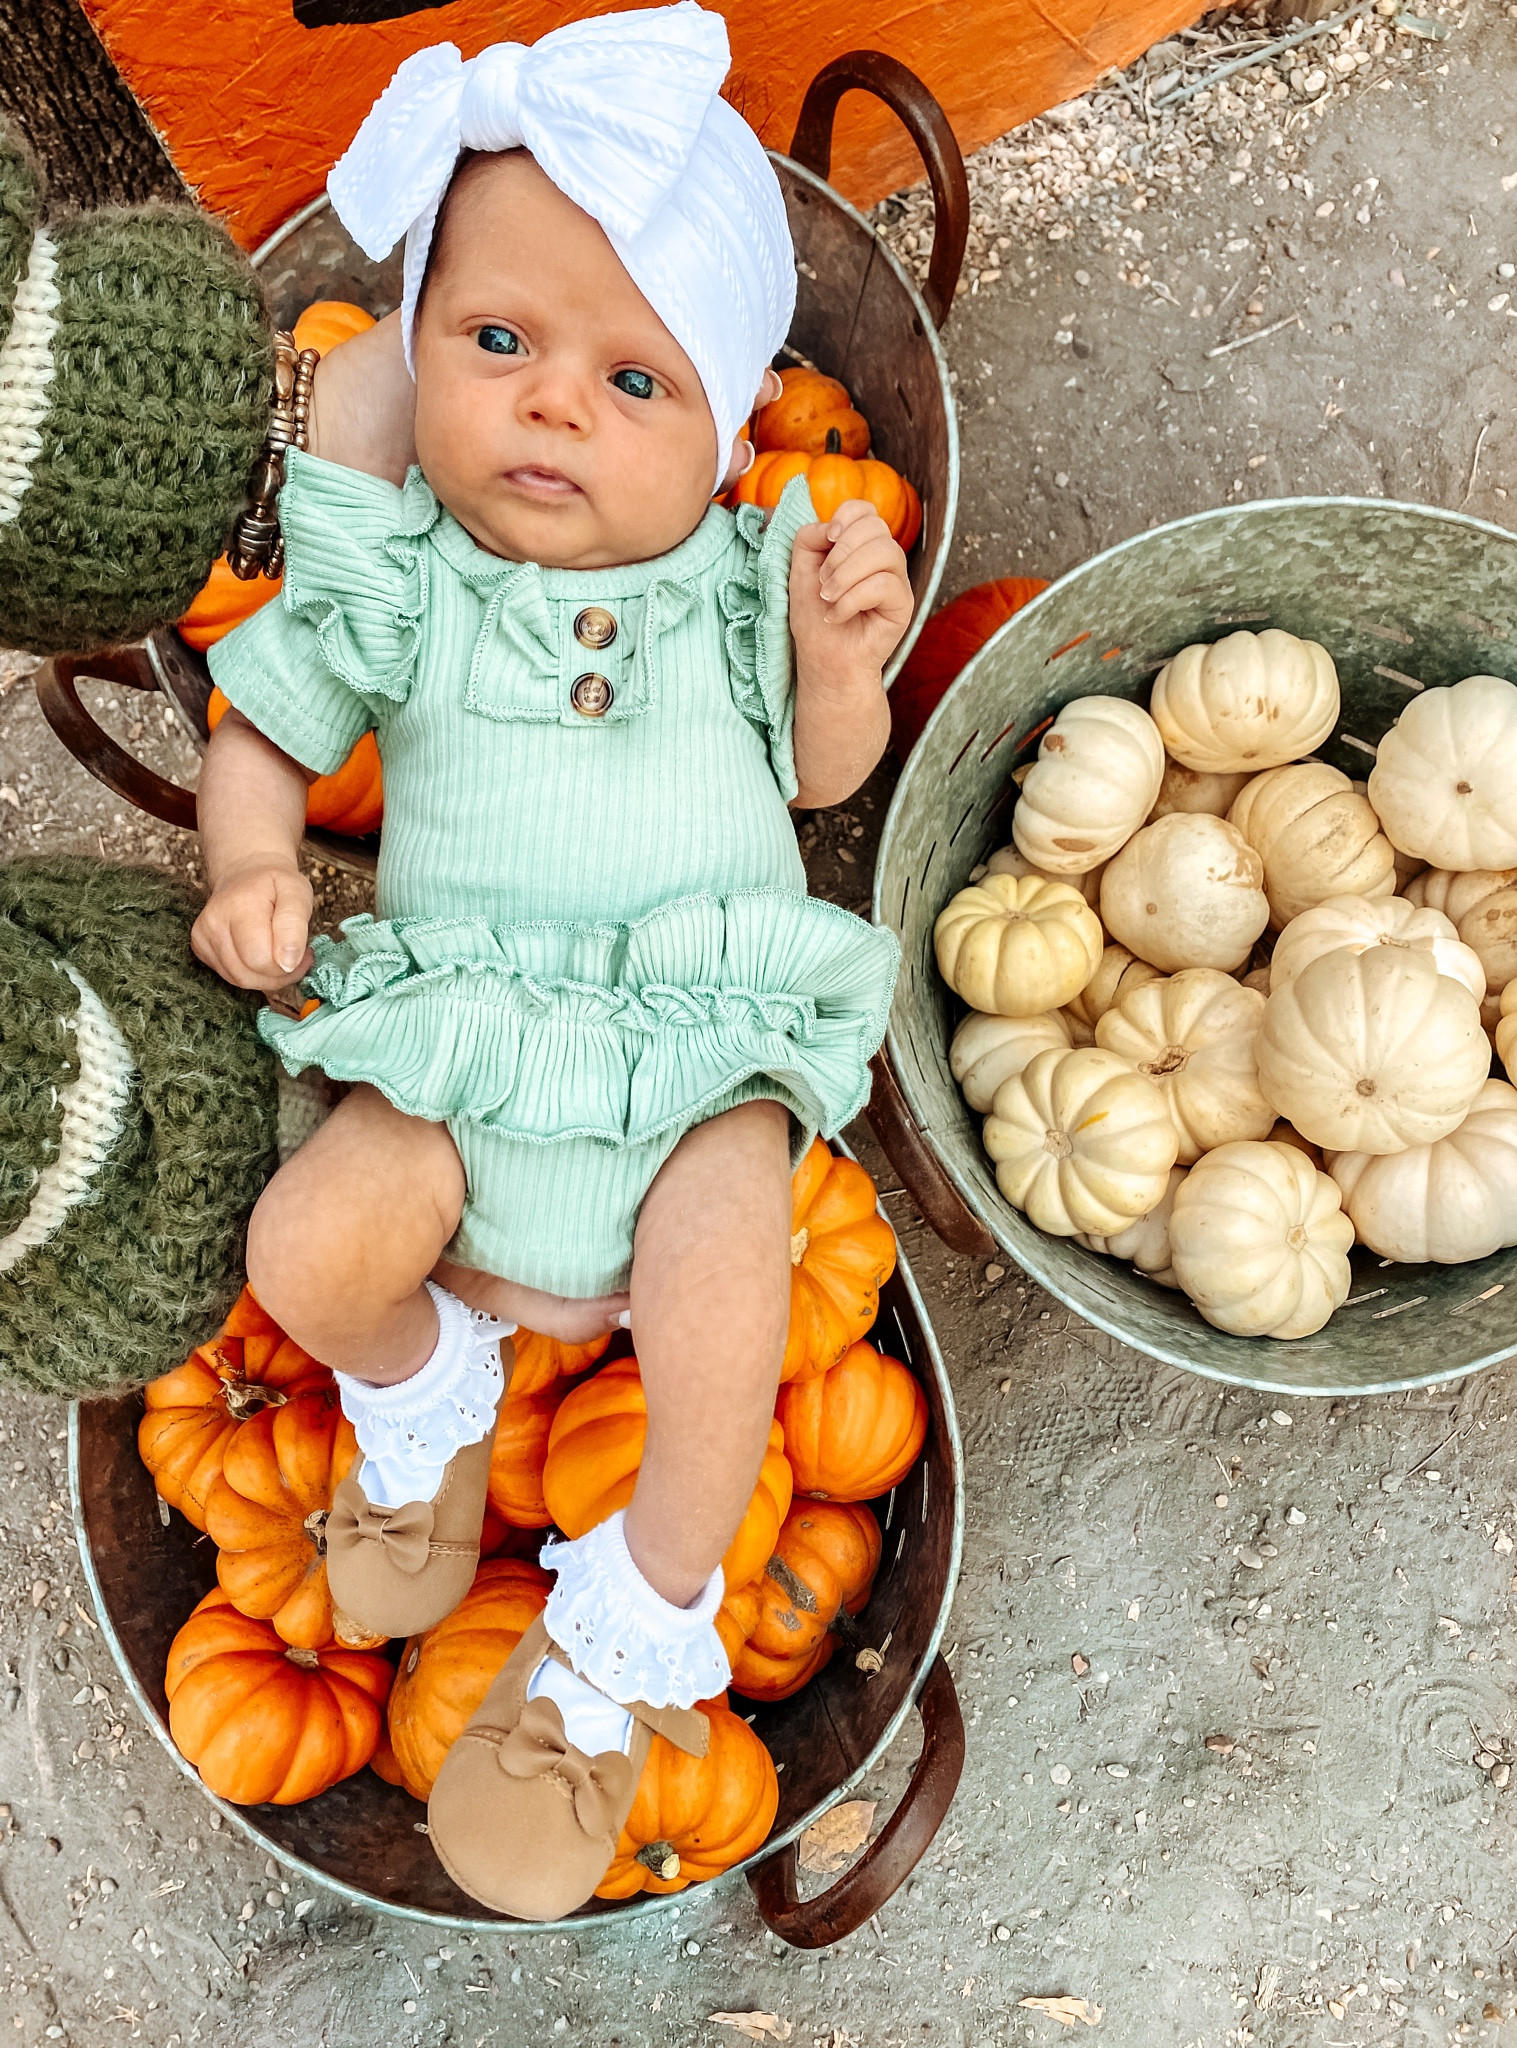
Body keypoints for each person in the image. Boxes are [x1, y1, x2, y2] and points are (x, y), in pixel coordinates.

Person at [189, 3, 908, 1919]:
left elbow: (826, 780)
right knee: (308, 1246)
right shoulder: (402, 576)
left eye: (633, 381)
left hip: (684, 1073)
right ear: (418, 344)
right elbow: (263, 719)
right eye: (493, 342)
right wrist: (252, 862)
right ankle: (419, 1396)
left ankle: (626, 1632)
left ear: (734, 423)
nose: (550, 406)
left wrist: (844, 664)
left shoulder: (745, 577)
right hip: (459, 1080)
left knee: (734, 1295)